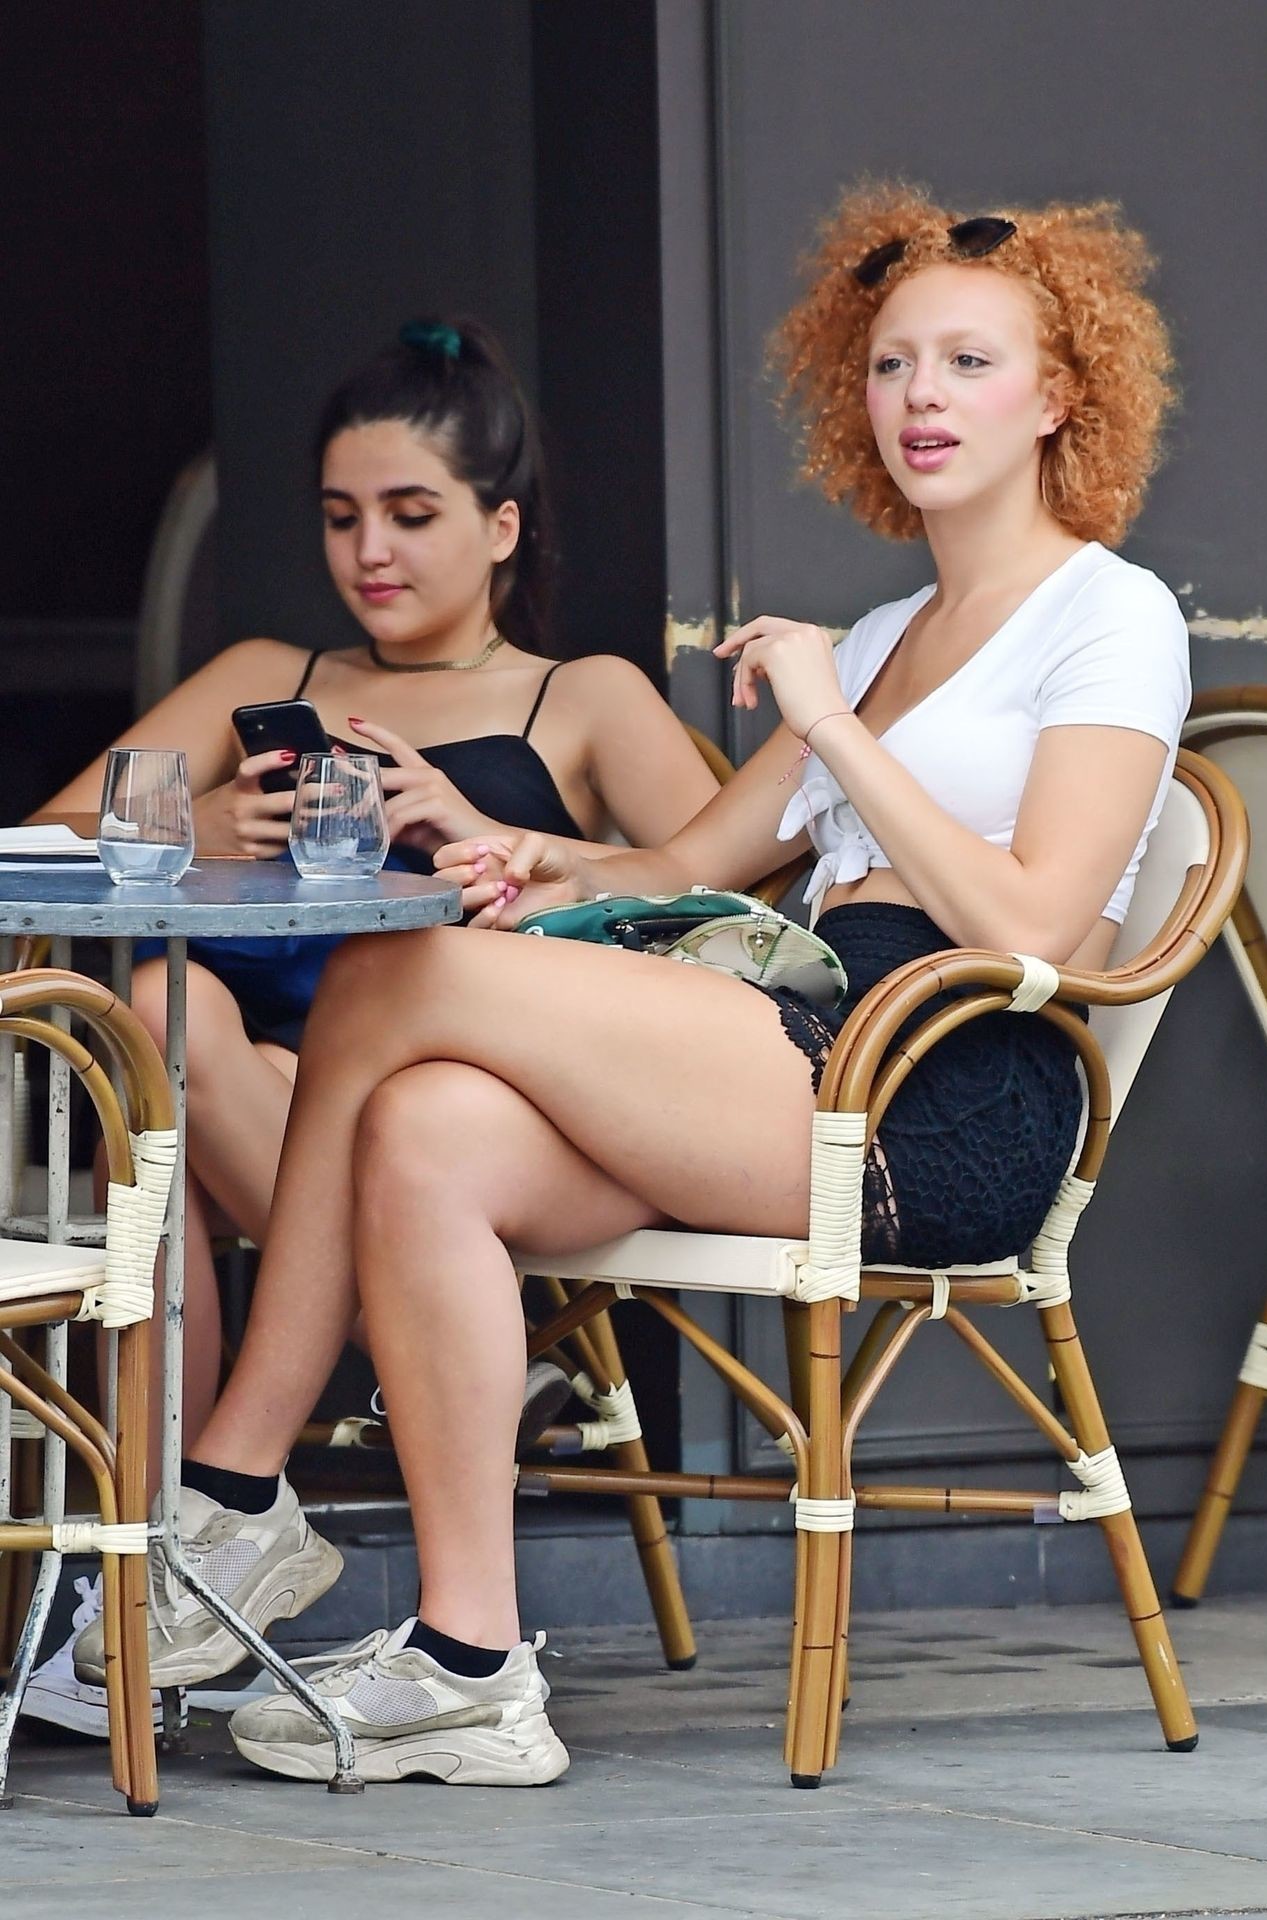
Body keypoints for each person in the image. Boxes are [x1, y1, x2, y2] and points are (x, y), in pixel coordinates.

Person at [82, 184, 1191, 1787]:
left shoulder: (1109, 614)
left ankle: (236, 1490)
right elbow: (680, 864)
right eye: (890, 364)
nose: (921, 398)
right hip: (796, 1030)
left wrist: (831, 723)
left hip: (932, 1086)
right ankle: (473, 1663)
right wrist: (519, 852)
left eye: (968, 363)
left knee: (391, 984)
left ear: (1058, 395)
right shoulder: (888, 629)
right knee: (428, 1126)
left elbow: (1033, 919)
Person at [22, 317, 717, 1739]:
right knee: (156, 1033)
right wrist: (206, 822)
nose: (370, 552)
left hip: (466, 1114)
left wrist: (507, 843)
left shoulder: (579, 697)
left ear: (500, 526)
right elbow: (51, 833)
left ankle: (184, 1552)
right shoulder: (272, 672)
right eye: (342, 517)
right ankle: (185, 1534)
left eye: (410, 514)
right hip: (254, 1089)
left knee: (164, 1114)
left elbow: (723, 901)